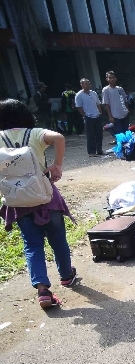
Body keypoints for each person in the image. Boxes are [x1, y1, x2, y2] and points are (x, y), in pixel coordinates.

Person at [0, 99, 78, 309]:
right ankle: (66, 275)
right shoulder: (34, 134)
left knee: (32, 244)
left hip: (18, 200)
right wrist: (57, 165)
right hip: (45, 195)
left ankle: (43, 290)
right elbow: (59, 137)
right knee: (58, 238)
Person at [75, 78, 103, 157]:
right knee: (90, 135)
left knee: (99, 134)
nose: (88, 85)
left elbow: (98, 103)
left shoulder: (93, 93)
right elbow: (79, 107)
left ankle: (99, 150)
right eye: (86, 83)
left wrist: (100, 112)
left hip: (97, 116)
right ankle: (91, 152)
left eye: (89, 83)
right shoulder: (79, 95)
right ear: (82, 85)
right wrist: (85, 115)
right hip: (89, 117)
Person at [101, 71, 130, 137]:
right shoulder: (106, 90)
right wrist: (110, 116)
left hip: (124, 114)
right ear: (107, 79)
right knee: (120, 135)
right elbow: (106, 104)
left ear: (115, 78)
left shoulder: (120, 89)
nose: (112, 79)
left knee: (127, 134)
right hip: (115, 116)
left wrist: (127, 110)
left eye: (113, 77)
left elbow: (125, 101)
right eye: (110, 78)